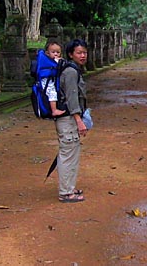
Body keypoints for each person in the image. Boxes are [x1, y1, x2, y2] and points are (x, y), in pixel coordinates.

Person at [55, 39, 88, 203]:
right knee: (68, 154)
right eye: (79, 53)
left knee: (72, 153)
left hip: (69, 118)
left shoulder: (73, 70)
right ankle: (66, 193)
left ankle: (69, 187)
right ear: (70, 54)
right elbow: (72, 98)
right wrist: (79, 120)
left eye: (85, 52)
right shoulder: (70, 72)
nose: (83, 56)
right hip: (68, 118)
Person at [42, 40, 66, 117]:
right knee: (52, 93)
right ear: (47, 53)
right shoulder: (47, 61)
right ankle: (54, 110)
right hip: (46, 81)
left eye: (58, 52)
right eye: (53, 52)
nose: (56, 54)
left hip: (51, 80)